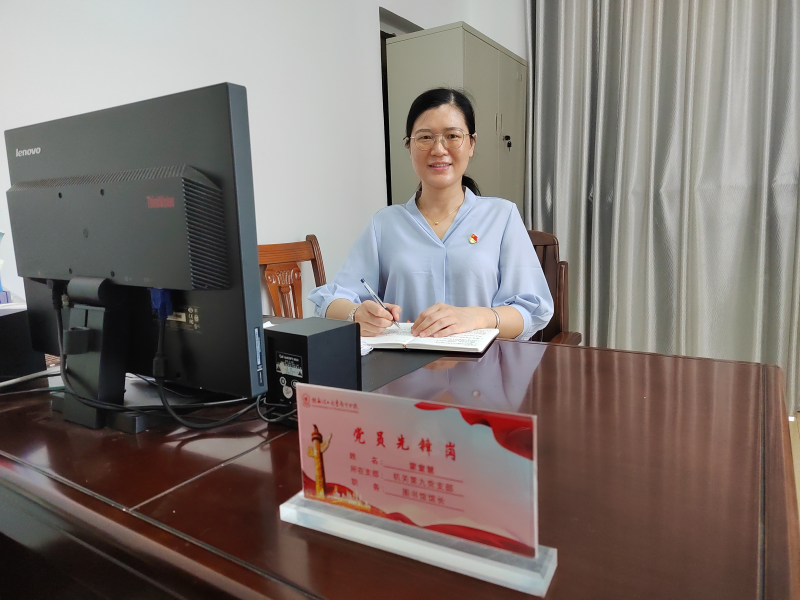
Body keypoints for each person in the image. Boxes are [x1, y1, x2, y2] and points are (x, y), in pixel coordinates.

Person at [309, 88, 553, 340]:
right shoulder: (384, 224)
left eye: (452, 136)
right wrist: (356, 313)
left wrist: (476, 317)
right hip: (403, 362)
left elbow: (531, 310)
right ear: (409, 146)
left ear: (471, 144)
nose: (439, 149)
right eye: (425, 137)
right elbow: (329, 300)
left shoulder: (502, 216)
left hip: (482, 363)